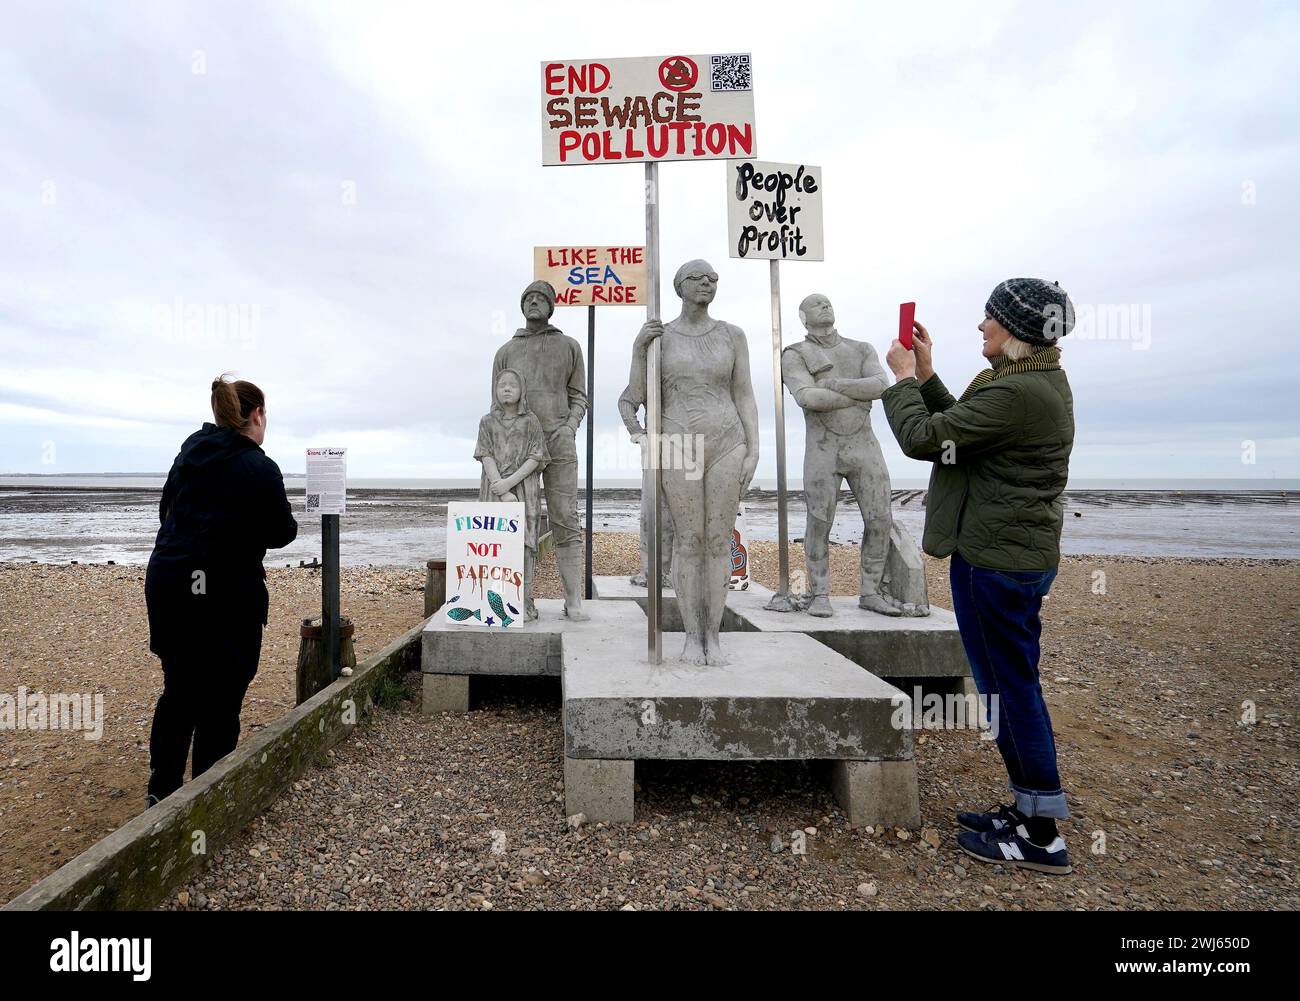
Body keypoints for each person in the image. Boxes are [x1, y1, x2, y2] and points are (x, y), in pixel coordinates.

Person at [880, 278, 1076, 875]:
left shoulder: (1018, 394)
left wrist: (905, 381)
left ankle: (1041, 835)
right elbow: (961, 435)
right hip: (1006, 555)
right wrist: (931, 374)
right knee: (1008, 685)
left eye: (989, 318)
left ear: (1014, 328)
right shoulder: (1025, 382)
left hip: (998, 562)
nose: (981, 327)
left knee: (1008, 691)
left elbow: (926, 440)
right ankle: (1026, 812)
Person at [144, 375, 297, 808]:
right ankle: (206, 796)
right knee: (223, 693)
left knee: (181, 688)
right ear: (257, 415)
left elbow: (167, 512)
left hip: (171, 581)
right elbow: (283, 531)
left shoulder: (190, 453)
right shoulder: (258, 465)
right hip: (225, 590)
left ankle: (162, 791)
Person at [632, 260, 759, 665]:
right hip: (676, 442)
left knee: (718, 540)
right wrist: (638, 348)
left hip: (727, 441)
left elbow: (745, 394)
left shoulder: (732, 335)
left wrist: (754, 448)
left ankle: (714, 637)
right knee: (687, 540)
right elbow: (637, 394)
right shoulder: (660, 337)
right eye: (697, 278)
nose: (706, 283)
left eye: (713, 278)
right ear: (679, 287)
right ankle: (691, 636)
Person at [781, 293, 900, 618]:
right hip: (823, 450)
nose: (825, 305)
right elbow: (807, 397)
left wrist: (835, 383)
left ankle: (871, 592)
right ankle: (819, 593)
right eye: (816, 304)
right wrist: (856, 396)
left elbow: (880, 385)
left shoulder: (861, 348)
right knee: (819, 522)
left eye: (827, 302)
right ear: (804, 317)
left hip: (864, 446)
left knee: (879, 519)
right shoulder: (795, 353)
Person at [491, 281, 589, 620]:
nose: (534, 303)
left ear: (551, 306)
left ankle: (574, 599)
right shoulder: (506, 351)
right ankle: (520, 600)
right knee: (518, 521)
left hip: (559, 441)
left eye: (541, 299)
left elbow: (580, 395)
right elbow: (497, 404)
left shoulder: (569, 346)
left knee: (565, 516)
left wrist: (570, 425)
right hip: (516, 449)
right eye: (529, 299)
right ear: (522, 306)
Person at [475, 368, 549, 620]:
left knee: (524, 545)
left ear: (521, 391)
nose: (506, 388)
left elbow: (536, 457)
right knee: (493, 545)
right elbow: (485, 453)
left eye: (512, 385)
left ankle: (523, 603)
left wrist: (509, 484)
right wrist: (499, 484)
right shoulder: (486, 421)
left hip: (523, 489)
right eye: (501, 384)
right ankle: (492, 604)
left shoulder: (531, 421)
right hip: (493, 490)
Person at [617, 371, 674, 589]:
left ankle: (677, 570)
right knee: (652, 511)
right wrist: (638, 433)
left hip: (690, 442)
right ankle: (652, 571)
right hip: (656, 443)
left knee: (686, 512)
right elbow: (625, 401)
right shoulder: (651, 372)